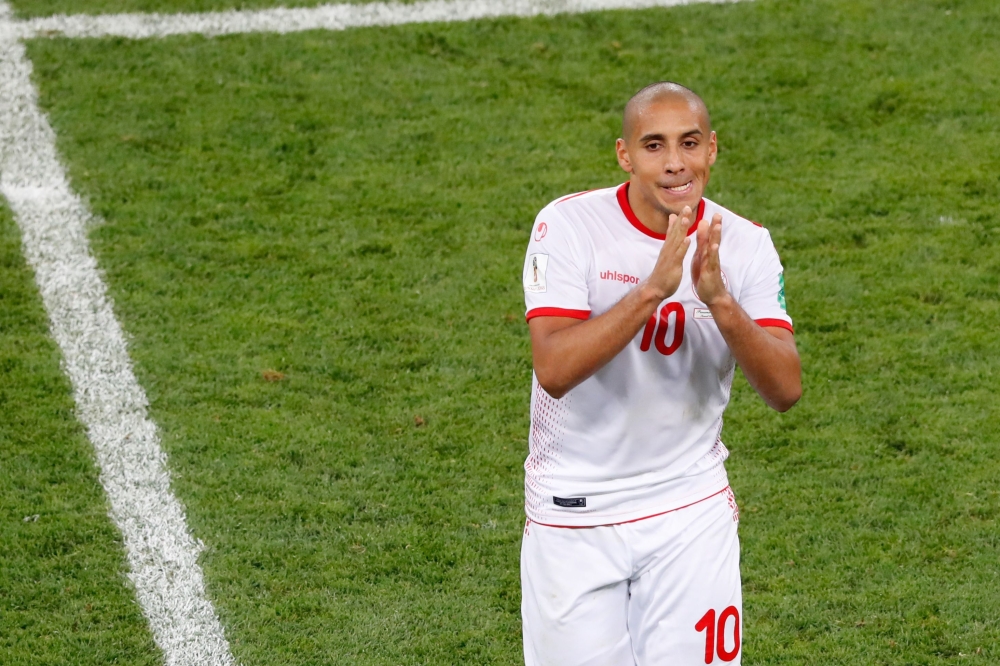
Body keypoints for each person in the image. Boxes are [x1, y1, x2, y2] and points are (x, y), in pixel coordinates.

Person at [520, 81, 802, 665]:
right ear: (625, 154)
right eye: (654, 145)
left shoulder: (745, 244)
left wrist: (719, 299)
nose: (675, 163)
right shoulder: (570, 226)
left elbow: (785, 390)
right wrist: (653, 289)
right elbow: (553, 369)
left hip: (688, 509)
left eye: (689, 143)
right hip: (576, 512)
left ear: (712, 149)